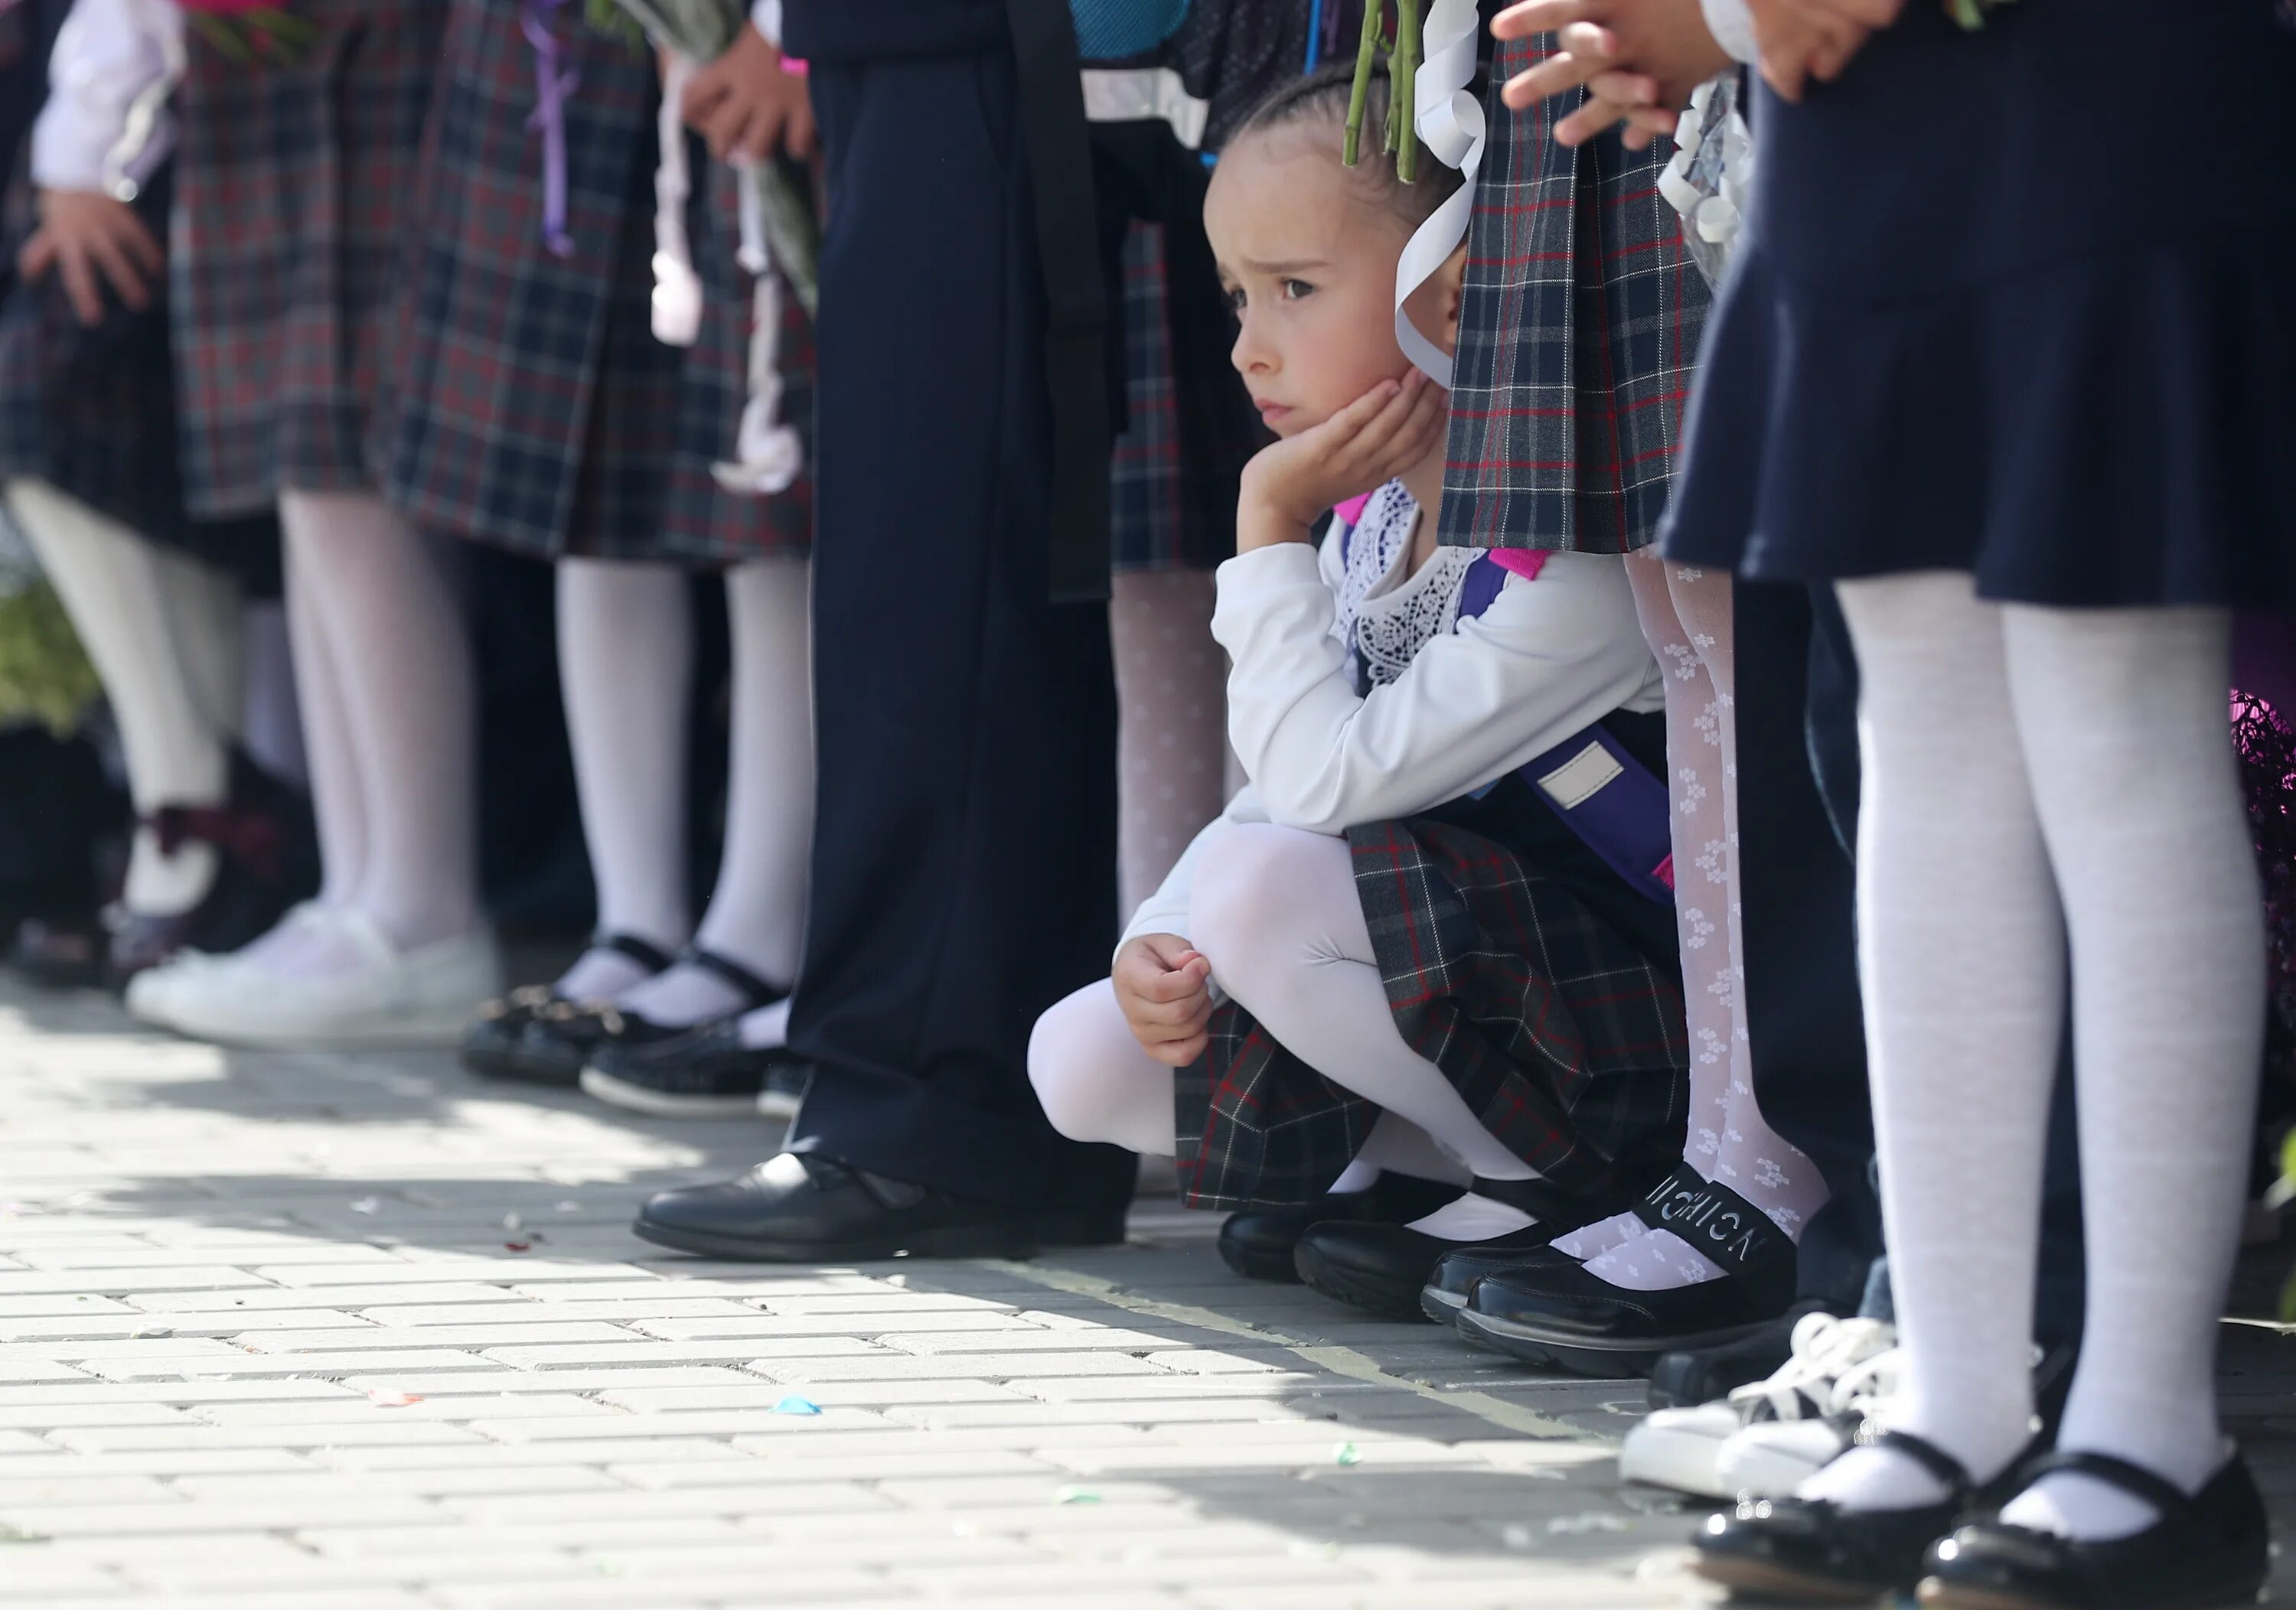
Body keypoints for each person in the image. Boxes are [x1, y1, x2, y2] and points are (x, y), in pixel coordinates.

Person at [1636, 2, 2295, 1605]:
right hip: (1860, 88)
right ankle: (1959, 1396)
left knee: (2114, 696)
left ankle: (2151, 1434)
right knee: (1920, 713)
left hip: (2113, 51)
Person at [1026, 63, 1692, 1315]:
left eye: (1295, 289)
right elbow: (1270, 804)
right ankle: (1438, 1171)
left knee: (1268, 892)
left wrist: (1265, 526)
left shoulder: (1573, 564)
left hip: (1630, 1032)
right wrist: (1152, 939)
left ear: (1453, 284)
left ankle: (1559, 1194)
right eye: (1236, 295)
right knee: (1082, 1062)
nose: (1248, 345)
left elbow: (1321, 784)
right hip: (1476, 989)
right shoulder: (1371, 527)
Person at [630, 0, 1138, 1261]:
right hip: (914, 43)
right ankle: (965, 1109)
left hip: (970, 39)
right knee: (922, 560)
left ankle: (934, 1114)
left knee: (938, 564)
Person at [377, 0, 816, 1120]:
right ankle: (637, 917)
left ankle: (756, 927)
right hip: (583, 44)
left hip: (748, 47)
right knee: (599, 483)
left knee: (761, 489)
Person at [110, 0, 490, 1050]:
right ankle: (364, 888)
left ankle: (421, 907)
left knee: (344, 469)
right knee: (308, 481)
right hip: (268, 46)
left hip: (371, 40)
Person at [0, 0, 311, 992]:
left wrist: (83, 138)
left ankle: (197, 806)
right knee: (121, 428)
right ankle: (193, 805)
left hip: (182, 78)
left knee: (70, 400)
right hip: (98, 84)